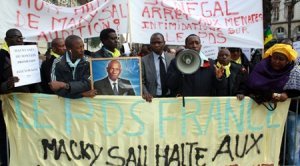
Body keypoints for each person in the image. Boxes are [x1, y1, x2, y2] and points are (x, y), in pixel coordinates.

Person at [142, 33, 174, 102]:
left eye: (159, 42)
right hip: (152, 99)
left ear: (164, 43)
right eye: (153, 43)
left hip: (170, 97)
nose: (156, 45)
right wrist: (146, 93)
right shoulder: (143, 60)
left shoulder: (172, 58)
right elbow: (141, 81)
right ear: (150, 44)